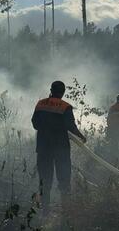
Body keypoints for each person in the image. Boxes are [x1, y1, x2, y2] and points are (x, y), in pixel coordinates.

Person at [32, 81, 86, 209]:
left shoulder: (41, 104)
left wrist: (46, 128)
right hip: (61, 148)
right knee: (64, 178)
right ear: (63, 92)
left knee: (45, 180)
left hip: (43, 147)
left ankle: (45, 211)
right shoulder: (65, 106)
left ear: (51, 90)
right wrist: (81, 136)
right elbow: (70, 126)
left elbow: (35, 124)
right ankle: (66, 211)